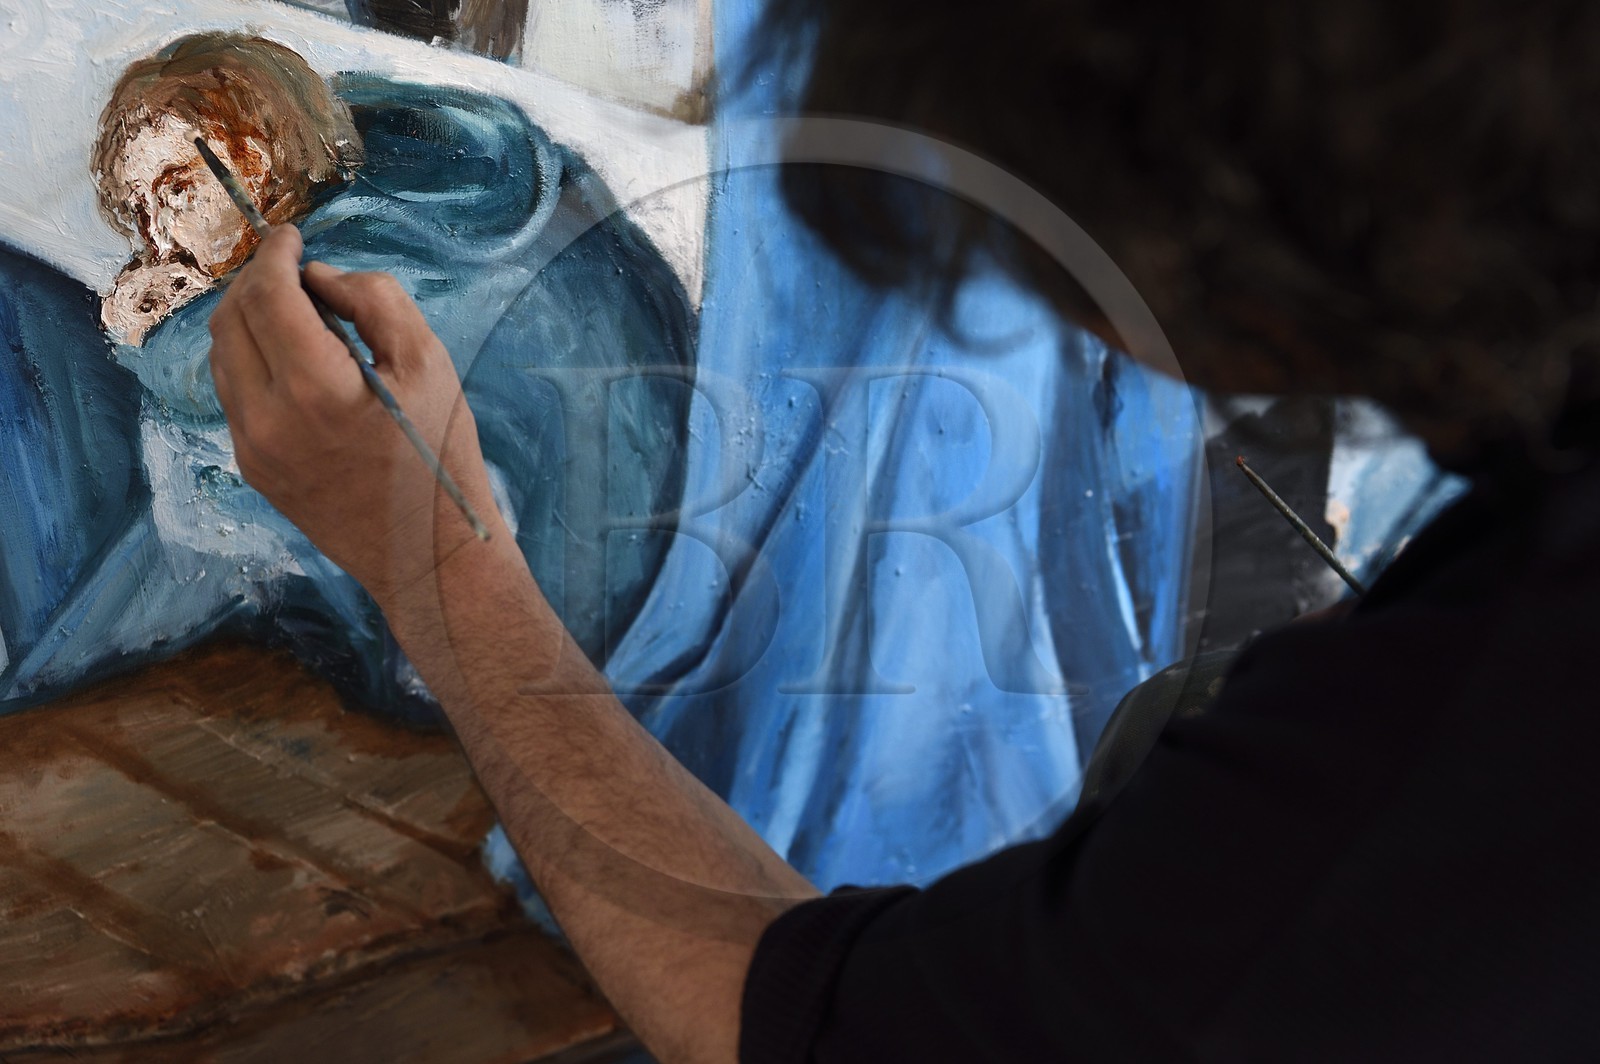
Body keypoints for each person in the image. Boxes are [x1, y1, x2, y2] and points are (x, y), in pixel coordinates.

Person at [204, 1, 1600, 1061]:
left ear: (1228, 282)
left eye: (1032, 258)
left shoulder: (1415, 790)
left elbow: (797, 1021)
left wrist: (439, 566)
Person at [6, 33, 694, 716]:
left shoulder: (371, 273)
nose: (160, 242)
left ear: (254, 160)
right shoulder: (446, 187)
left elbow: (243, 447)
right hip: (617, 555)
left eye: (177, 192)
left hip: (508, 646)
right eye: (142, 213)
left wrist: (149, 340)